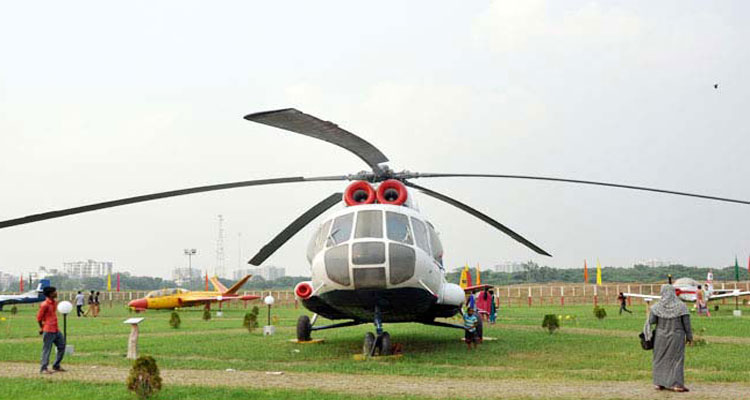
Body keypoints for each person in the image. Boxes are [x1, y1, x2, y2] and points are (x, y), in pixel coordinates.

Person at [643, 284, 692, 392]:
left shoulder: (656, 307)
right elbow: (687, 324)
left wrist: (647, 335)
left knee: (660, 359)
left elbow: (651, 321)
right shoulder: (682, 306)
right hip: (676, 336)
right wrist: (689, 337)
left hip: (660, 337)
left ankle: (659, 383)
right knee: (676, 360)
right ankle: (677, 385)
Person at [37, 286, 66, 374]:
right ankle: (43, 368)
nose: (56, 293)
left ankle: (56, 365)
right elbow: (39, 318)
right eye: (54, 292)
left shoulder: (54, 303)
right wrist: (42, 328)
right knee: (47, 349)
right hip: (48, 329)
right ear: (50, 294)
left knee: (62, 345)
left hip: (56, 329)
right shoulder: (44, 305)